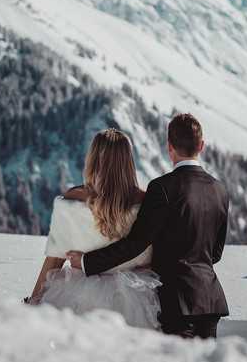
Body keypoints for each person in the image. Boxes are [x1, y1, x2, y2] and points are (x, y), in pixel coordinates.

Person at [67, 113, 229, 339]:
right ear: (201, 146)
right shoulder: (220, 189)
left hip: (175, 301)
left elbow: (136, 244)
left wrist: (86, 261)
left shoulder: (162, 187)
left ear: (169, 147)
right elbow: (216, 253)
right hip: (211, 301)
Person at [24, 128, 161, 329]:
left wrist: (35, 300)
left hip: (77, 292)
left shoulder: (73, 198)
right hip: (134, 296)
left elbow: (55, 257)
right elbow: (150, 257)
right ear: (128, 162)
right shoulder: (146, 201)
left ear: (93, 158)